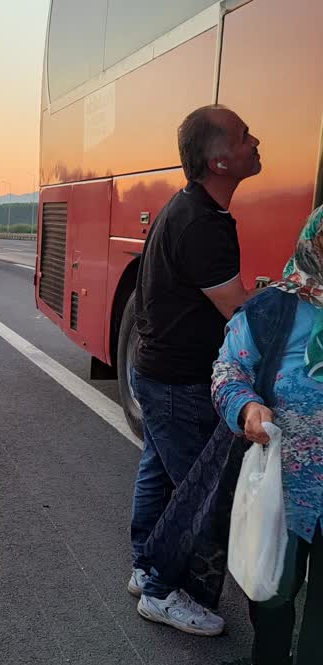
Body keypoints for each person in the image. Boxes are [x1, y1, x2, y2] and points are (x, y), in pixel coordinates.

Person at [129, 104, 262, 635]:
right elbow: (237, 311)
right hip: (180, 383)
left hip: (158, 371)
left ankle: (145, 567)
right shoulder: (204, 224)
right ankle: (162, 589)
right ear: (220, 162)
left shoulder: (186, 206)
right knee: (200, 494)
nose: (256, 141)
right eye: (244, 136)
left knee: (158, 476)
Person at [212, 206, 323, 665]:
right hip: (285, 485)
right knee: (275, 587)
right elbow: (227, 371)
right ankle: (270, 663)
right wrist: (247, 406)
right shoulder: (274, 309)